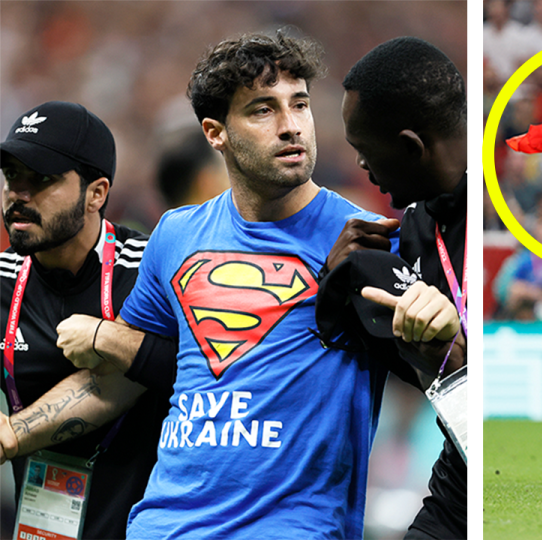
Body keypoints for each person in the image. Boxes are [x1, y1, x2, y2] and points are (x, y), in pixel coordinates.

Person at [16, 30, 419, 538]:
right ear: (215, 133)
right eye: (263, 111)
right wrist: (13, 433)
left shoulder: (368, 240)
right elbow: (119, 381)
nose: (291, 126)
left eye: (299, 104)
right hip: (161, 525)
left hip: (290, 527)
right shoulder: (176, 234)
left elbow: (435, 368)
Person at [0, 101, 167, 539]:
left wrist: (109, 339)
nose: (18, 192)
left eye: (41, 179)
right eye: (12, 175)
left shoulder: (148, 268)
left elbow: (191, 367)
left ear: (96, 193)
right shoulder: (1, 281)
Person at [326, 36, 468, 540]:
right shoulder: (412, 233)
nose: (362, 166)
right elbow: (422, 373)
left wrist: (464, 354)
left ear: (410, 145)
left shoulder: (503, 212)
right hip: (457, 490)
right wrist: (337, 286)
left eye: (364, 150)